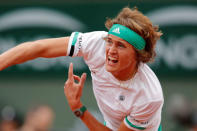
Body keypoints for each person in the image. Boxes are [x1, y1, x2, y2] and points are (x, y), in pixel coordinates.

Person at [0, 7, 164, 131]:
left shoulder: (149, 97)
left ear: (138, 55)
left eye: (121, 45)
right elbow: (39, 48)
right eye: (110, 41)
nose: (111, 50)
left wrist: (77, 107)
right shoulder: (96, 44)